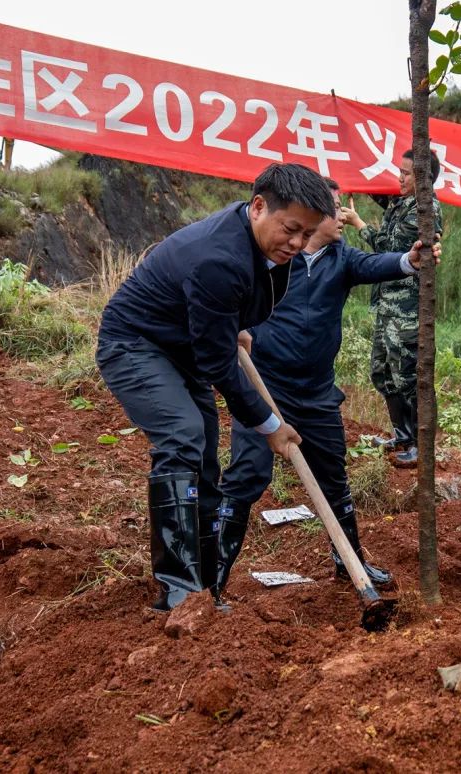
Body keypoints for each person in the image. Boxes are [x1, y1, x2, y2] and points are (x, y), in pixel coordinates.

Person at [96, 163, 335, 612]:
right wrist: (270, 426)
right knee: (182, 434)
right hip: (135, 344)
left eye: (307, 234)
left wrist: (231, 325)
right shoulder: (218, 258)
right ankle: (177, 590)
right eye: (291, 230)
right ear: (258, 206)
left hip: (183, 345)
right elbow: (219, 366)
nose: (297, 244)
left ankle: (205, 589)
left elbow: (230, 308)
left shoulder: (258, 243)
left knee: (205, 456)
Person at [215, 178, 441, 607]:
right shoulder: (272, 257)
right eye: (335, 209)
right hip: (264, 388)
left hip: (317, 394)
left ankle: (350, 562)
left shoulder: (342, 259)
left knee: (334, 480)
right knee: (245, 478)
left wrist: (412, 260)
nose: (342, 217)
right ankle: (215, 579)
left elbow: (380, 264)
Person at [343, 149, 443, 466]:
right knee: (383, 372)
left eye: (406, 173)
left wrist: (359, 223)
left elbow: (391, 250)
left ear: (424, 179)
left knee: (409, 377)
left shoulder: (425, 211)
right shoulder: (402, 202)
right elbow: (380, 193)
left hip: (409, 309)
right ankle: (402, 436)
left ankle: (422, 447)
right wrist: (354, 165)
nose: (399, 178)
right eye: (399, 171)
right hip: (388, 304)